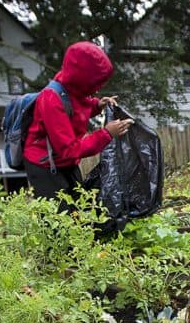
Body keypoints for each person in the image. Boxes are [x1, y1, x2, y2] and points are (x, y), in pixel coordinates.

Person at [22, 41, 133, 208]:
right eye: (95, 83)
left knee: (81, 210)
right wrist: (106, 134)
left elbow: (77, 109)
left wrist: (97, 105)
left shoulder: (73, 88)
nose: (98, 88)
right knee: (59, 221)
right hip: (45, 166)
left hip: (65, 163)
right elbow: (68, 149)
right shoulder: (51, 99)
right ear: (83, 78)